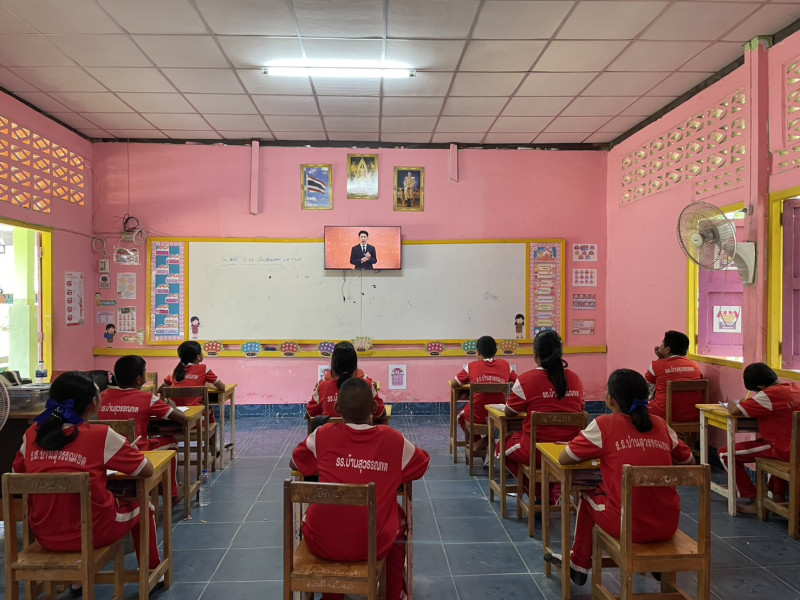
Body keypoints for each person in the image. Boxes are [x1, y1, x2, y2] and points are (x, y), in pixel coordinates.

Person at [13, 371, 164, 594]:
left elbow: (17, 472)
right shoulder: (101, 435)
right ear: (94, 403)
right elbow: (146, 469)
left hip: (45, 534)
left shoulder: (31, 434)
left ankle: (77, 582)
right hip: (94, 532)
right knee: (144, 506)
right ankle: (152, 572)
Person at [544, 369, 694, 585]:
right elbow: (688, 461)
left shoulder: (604, 425)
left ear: (611, 399)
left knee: (587, 497)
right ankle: (656, 564)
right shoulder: (662, 425)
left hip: (628, 526)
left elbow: (566, 457)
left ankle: (578, 564)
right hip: (667, 525)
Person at [292, 377, 430, 600]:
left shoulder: (322, 435)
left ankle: (332, 596)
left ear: (337, 409)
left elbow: (296, 462)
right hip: (373, 545)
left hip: (322, 543)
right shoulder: (393, 440)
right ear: (375, 407)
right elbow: (422, 464)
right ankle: (393, 594)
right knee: (399, 517)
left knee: (325, 516)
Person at [503, 330, 585, 503]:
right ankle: (553, 494)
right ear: (560, 353)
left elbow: (509, 412)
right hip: (567, 451)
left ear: (535, 354)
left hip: (535, 452)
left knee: (501, 447)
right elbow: (581, 408)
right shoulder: (576, 379)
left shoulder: (526, 380)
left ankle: (538, 494)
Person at [99, 355, 186, 501]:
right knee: (171, 442)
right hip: (137, 451)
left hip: (108, 453)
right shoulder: (146, 398)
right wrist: (173, 406)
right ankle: (172, 493)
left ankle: (160, 486)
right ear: (139, 379)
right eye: (144, 372)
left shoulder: (103, 396)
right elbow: (181, 418)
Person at [720, 363, 800, 514]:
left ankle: (754, 499)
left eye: (755, 391)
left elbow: (736, 410)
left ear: (760, 386)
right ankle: (778, 496)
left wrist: (732, 402)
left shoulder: (767, 396)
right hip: (795, 448)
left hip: (782, 450)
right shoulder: (794, 388)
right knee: (769, 444)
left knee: (725, 454)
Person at [449, 335, 517, 459]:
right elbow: (517, 383)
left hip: (477, 415)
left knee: (461, 416)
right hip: (497, 414)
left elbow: (454, 383)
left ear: (478, 352)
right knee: (506, 425)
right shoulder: (506, 365)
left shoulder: (472, 366)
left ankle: (477, 442)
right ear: (496, 351)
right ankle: (485, 442)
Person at [307, 341, 385, 419]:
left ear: (333, 367)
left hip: (330, 427)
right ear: (355, 367)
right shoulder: (366, 385)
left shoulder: (323, 387)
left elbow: (311, 412)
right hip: (361, 427)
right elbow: (380, 412)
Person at [644, 330, 703, 421]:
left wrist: (660, 358)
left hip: (664, 414)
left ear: (668, 349)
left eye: (662, 343)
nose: (660, 346)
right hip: (693, 415)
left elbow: (648, 383)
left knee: (638, 406)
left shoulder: (656, 365)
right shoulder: (695, 366)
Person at [162, 340, 225, 421]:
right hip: (196, 416)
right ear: (198, 357)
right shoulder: (204, 369)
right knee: (209, 410)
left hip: (175, 415)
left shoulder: (175, 371)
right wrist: (207, 385)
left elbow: (161, 389)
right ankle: (207, 428)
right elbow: (222, 387)